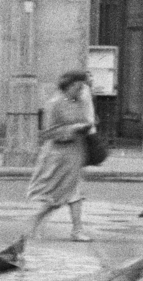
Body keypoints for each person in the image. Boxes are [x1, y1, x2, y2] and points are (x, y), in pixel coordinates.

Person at [24, 69, 95, 244]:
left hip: (75, 153)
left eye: (82, 88)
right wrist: (73, 129)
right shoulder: (54, 103)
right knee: (58, 197)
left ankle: (77, 230)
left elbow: (87, 120)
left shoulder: (79, 102)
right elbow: (48, 133)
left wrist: (86, 126)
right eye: (78, 87)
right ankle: (35, 220)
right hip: (58, 155)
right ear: (69, 86)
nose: (80, 91)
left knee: (75, 192)